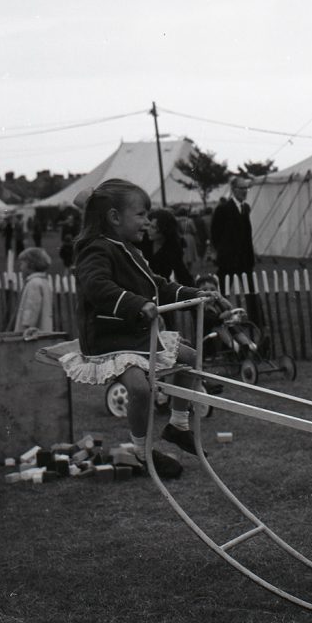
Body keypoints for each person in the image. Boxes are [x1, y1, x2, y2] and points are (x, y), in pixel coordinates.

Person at [57, 178, 231, 471]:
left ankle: (177, 424)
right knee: (140, 389)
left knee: (189, 357)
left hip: (132, 335)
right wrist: (136, 304)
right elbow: (97, 286)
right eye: (141, 215)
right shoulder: (95, 250)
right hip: (109, 339)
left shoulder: (130, 250)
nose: (148, 222)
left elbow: (157, 285)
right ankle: (141, 450)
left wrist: (194, 294)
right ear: (114, 218)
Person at [210, 176, 262, 324]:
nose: (245, 191)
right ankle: (218, 318)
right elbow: (215, 234)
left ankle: (256, 320)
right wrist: (223, 251)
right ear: (233, 190)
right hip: (228, 260)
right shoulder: (223, 209)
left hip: (245, 259)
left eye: (247, 188)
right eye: (242, 188)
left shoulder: (245, 208)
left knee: (251, 291)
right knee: (223, 291)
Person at [13, 247, 54, 337]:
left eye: (22, 264)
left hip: (31, 335)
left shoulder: (34, 284)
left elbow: (31, 309)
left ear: (31, 265)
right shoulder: (44, 282)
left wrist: (26, 328)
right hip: (43, 332)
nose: (20, 268)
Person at [146, 208, 193, 285]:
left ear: (164, 229)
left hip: (160, 287)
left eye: (154, 227)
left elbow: (182, 273)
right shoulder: (143, 241)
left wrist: (194, 292)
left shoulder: (173, 248)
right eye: (149, 225)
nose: (149, 230)